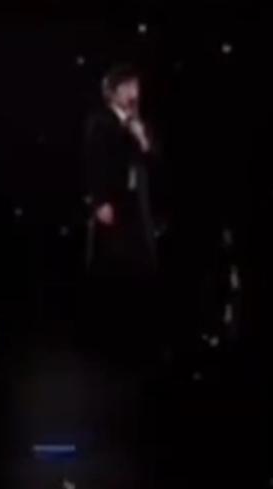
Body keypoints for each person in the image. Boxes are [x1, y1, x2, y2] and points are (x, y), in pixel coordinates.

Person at [84, 64, 161, 362]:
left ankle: (138, 336)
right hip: (112, 205)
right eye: (128, 87)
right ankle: (105, 338)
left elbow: (154, 161)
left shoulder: (140, 124)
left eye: (136, 87)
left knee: (140, 267)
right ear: (113, 92)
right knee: (111, 267)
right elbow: (93, 162)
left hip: (137, 207)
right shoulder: (100, 122)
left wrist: (141, 137)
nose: (134, 93)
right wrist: (99, 201)